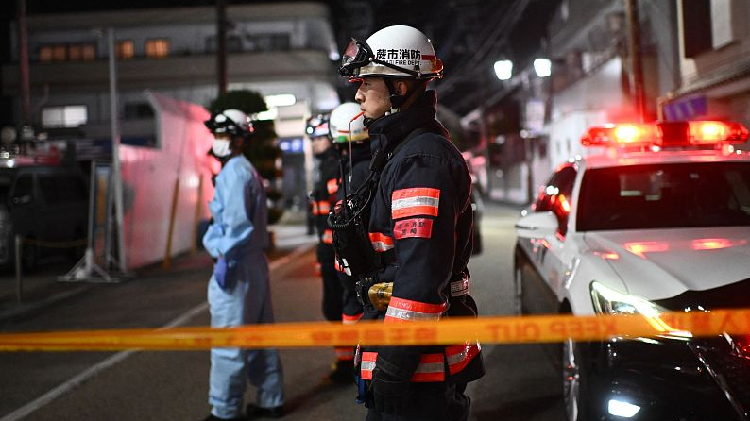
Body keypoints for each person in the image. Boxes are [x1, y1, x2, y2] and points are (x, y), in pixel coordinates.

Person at [337, 25, 485, 421]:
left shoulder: (421, 160)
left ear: (400, 87)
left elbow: (420, 276)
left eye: (367, 82)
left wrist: (394, 366)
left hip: (419, 371)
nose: (358, 93)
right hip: (410, 362)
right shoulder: (400, 152)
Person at [201, 109, 284, 421]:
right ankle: (270, 399)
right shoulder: (245, 170)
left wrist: (214, 247)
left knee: (228, 339)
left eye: (222, 135)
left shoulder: (234, 172)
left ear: (237, 139)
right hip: (253, 262)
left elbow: (235, 228)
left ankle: (225, 410)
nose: (218, 141)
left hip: (234, 263)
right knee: (261, 336)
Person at [306, 112, 352, 382]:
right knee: (333, 306)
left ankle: (348, 361)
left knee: (339, 305)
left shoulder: (335, 167)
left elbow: (335, 215)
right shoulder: (326, 166)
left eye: (319, 137)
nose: (314, 144)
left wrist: (327, 252)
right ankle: (345, 358)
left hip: (334, 250)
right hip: (328, 249)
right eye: (312, 139)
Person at [329, 101, 371, 363]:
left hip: (357, 263)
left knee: (354, 307)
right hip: (353, 260)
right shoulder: (368, 164)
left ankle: (353, 360)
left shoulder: (356, 171)